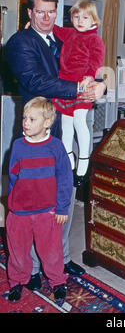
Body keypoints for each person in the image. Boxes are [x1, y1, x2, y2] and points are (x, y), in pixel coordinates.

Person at [5, 0, 106, 290]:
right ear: (30, 13)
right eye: (40, 12)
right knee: (34, 202)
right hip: (37, 135)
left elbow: (91, 61)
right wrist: (79, 88)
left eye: (51, 12)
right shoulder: (19, 43)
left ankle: (59, 260)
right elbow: (36, 81)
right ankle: (33, 268)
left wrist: (100, 84)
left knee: (63, 197)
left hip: (66, 130)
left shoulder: (66, 37)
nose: (47, 18)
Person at [6, 97, 73, 304]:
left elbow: (65, 179)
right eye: (24, 118)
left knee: (51, 251)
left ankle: (57, 282)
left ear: (47, 122)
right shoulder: (18, 146)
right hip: (19, 212)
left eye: (32, 119)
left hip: (48, 211)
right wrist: (13, 205)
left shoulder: (56, 147)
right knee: (17, 251)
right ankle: (17, 281)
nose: (25, 122)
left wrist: (62, 208)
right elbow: (13, 177)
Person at [52, 0, 105, 187]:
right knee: (65, 124)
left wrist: (89, 77)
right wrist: (33, 26)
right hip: (65, 84)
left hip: (84, 83)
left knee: (79, 121)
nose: (80, 21)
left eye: (85, 17)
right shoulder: (70, 34)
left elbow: (97, 60)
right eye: (76, 17)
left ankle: (84, 164)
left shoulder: (94, 39)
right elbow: (55, 29)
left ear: (94, 21)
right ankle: (69, 162)